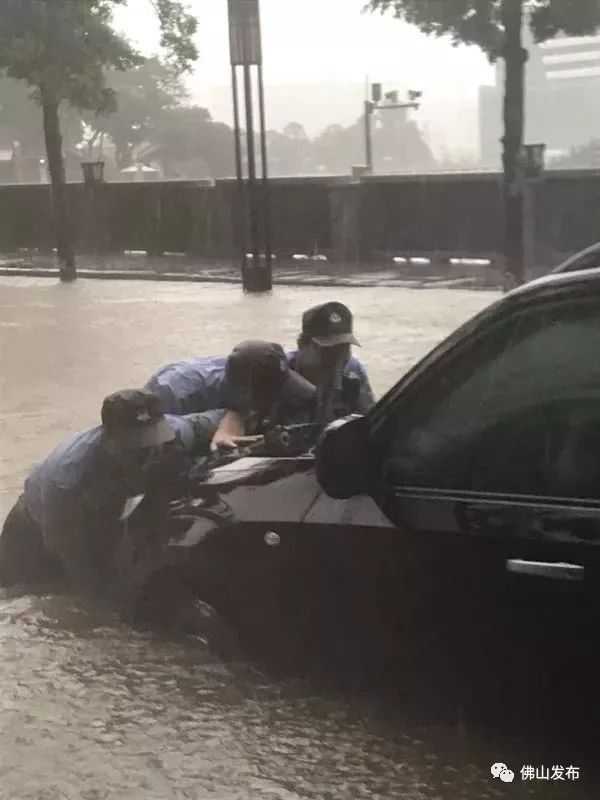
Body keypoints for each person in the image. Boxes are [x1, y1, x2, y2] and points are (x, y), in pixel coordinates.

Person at [0, 389, 225, 593]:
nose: (149, 456)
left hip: (106, 507)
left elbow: (223, 417)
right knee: (24, 595)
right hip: (34, 528)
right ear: (108, 440)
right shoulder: (69, 479)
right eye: (136, 447)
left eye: (153, 442)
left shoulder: (175, 435)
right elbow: (75, 560)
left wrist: (228, 427)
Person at [213, 302, 376, 446]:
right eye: (327, 350)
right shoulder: (276, 374)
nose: (337, 359)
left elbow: (372, 423)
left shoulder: (353, 373)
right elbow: (239, 417)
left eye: (343, 349)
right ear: (301, 344)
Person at [144, 340, 317, 448]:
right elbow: (144, 436)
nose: (276, 402)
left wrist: (235, 415)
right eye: (271, 396)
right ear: (243, 391)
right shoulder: (172, 388)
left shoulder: (272, 360)